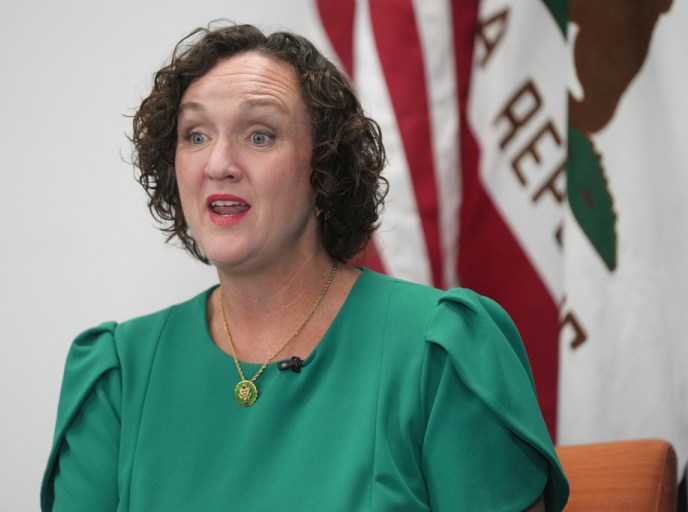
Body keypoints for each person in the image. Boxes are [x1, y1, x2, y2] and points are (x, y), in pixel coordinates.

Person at [41, 23, 569, 511]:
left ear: (324, 171)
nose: (218, 163)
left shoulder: (442, 352)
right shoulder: (118, 376)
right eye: (196, 135)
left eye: (260, 135)